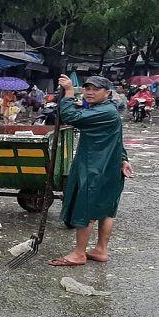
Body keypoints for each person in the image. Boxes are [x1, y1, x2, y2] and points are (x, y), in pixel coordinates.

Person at [49, 76, 132, 266]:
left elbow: (70, 116)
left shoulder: (104, 111)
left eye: (95, 89)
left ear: (107, 93)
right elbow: (116, 138)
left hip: (95, 167)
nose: (89, 92)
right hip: (109, 166)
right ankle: (101, 250)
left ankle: (79, 254)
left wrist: (69, 93)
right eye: (87, 88)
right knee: (106, 209)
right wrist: (123, 158)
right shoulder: (107, 110)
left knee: (86, 208)